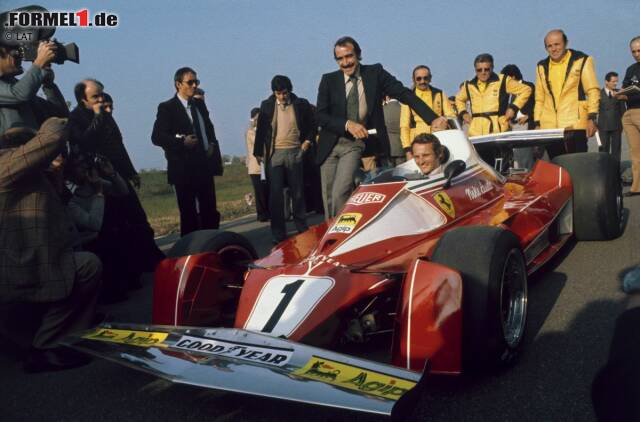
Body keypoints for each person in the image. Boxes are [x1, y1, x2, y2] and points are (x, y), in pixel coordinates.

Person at [0, 119, 101, 373]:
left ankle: (61, 336)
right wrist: (57, 120)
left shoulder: (28, 175)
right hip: (22, 265)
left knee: (83, 266)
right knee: (87, 268)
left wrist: (55, 175)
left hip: (36, 259)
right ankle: (46, 345)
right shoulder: (5, 163)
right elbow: (52, 137)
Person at [316, 36, 447, 218]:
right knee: (328, 197)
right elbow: (320, 115)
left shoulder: (374, 73)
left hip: (353, 144)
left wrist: (431, 118)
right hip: (329, 145)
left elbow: (403, 93)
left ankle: (343, 238)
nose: (345, 63)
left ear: (359, 55)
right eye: (340, 59)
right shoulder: (329, 80)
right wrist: (347, 124)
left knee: (341, 192)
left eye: (349, 56)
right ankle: (330, 240)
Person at [69, 84, 165, 272]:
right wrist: (97, 117)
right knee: (116, 225)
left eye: (101, 95)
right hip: (99, 179)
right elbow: (85, 142)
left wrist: (130, 171)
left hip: (117, 174)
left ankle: (151, 261)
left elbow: (118, 146)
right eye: (95, 96)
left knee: (137, 217)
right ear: (83, 100)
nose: (100, 100)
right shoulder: (76, 119)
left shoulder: (106, 117)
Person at [151, 67, 223, 236]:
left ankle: (211, 247)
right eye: (190, 82)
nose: (194, 86)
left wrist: (211, 143)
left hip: (203, 165)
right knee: (189, 214)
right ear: (178, 84)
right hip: (183, 169)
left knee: (210, 211)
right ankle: (191, 252)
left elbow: (208, 127)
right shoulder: (167, 108)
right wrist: (181, 142)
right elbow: (157, 137)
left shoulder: (198, 104)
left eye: (196, 82)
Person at [253, 75, 315, 243]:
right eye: (278, 93)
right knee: (276, 196)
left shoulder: (301, 104)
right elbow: (261, 131)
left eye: (284, 93)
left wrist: (307, 143)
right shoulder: (267, 105)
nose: (282, 96)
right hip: (275, 154)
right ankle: (278, 234)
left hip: (295, 152)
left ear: (290, 90)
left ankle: (302, 228)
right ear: (274, 93)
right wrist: (258, 152)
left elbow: (311, 125)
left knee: (298, 193)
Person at [67, 153, 130, 303]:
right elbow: (94, 223)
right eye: (79, 165)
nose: (84, 168)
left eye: (85, 164)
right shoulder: (67, 195)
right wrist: (99, 193)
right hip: (85, 243)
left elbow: (123, 191)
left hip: (100, 237)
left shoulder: (91, 183)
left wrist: (112, 174)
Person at [534, 29, 600, 157]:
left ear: (566, 43)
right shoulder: (541, 66)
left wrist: (592, 117)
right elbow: (539, 98)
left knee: (577, 165)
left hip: (575, 124)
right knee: (557, 165)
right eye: (549, 46)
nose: (554, 49)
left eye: (557, 44)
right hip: (550, 127)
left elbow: (592, 90)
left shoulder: (582, 60)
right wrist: (537, 123)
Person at [455, 54, 532, 138]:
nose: (483, 72)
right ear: (475, 70)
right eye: (479, 70)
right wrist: (463, 113)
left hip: (498, 131)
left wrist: (513, 108)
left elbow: (526, 90)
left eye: (486, 69)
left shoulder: (502, 80)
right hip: (475, 132)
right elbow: (459, 99)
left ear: (492, 68)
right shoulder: (469, 85)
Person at [0, 40, 68, 134]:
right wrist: (39, 64)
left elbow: (59, 115)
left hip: (30, 146)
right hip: (8, 147)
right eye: (15, 54)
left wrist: (49, 85)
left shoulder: (18, 86)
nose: (21, 58)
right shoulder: (19, 91)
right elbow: (18, 94)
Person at [400, 65, 455, 159]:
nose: (422, 81)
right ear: (413, 80)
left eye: (426, 78)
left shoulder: (439, 94)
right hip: (417, 144)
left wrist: (444, 122)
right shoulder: (408, 97)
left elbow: (451, 117)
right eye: (419, 79)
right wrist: (408, 150)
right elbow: (404, 126)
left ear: (430, 78)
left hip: (438, 141)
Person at [501, 64, 537, 170]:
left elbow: (539, 104)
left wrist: (529, 116)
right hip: (511, 126)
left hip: (525, 124)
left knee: (525, 156)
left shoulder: (529, 87)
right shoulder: (507, 92)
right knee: (514, 156)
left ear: (511, 77)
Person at [618, 36, 640, 196]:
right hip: (629, 113)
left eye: (639, 50)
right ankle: (636, 187)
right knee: (635, 152)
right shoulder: (631, 69)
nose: (637, 54)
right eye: (633, 51)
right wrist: (620, 94)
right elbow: (625, 88)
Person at [245, 107, 269, 221]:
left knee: (266, 189)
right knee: (258, 191)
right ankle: (261, 213)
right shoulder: (250, 132)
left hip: (265, 165)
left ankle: (268, 211)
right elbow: (256, 142)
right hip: (255, 166)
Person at [598, 72, 626, 163]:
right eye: (613, 81)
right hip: (603, 126)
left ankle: (616, 173)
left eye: (616, 82)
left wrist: (625, 124)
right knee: (603, 151)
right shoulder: (598, 94)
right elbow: (594, 109)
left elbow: (623, 110)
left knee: (616, 151)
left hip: (617, 126)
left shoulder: (620, 93)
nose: (615, 83)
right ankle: (604, 172)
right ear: (606, 82)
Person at [383, 95, 404, 166]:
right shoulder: (403, 108)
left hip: (387, 146)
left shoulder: (382, 109)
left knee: (388, 174)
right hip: (402, 146)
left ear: (387, 97)